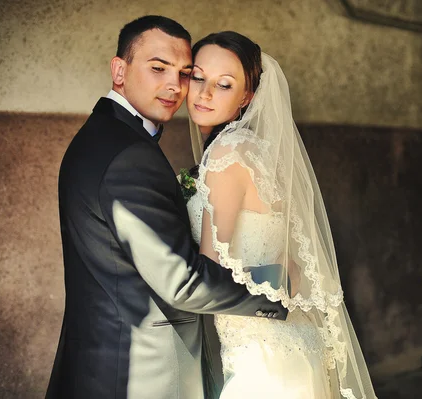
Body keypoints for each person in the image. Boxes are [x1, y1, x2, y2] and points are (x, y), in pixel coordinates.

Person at [46, 17, 286, 399]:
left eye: (183, 73)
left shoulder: (103, 137)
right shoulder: (127, 153)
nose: (175, 86)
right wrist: (276, 297)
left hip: (105, 358)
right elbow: (181, 281)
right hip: (141, 370)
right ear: (119, 70)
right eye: (158, 68)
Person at [185, 31, 377, 399]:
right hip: (292, 343)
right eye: (198, 77)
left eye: (223, 85)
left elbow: (208, 267)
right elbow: (290, 264)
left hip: (260, 357)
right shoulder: (258, 151)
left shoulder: (226, 152)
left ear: (247, 97)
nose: (205, 93)